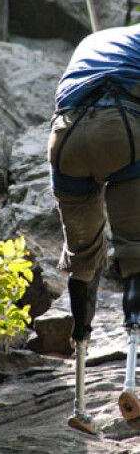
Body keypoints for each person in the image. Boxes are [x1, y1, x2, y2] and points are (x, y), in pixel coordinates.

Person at [49, 24, 140, 435]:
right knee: (136, 249)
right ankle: (132, 382)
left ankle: (80, 403)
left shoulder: (93, 42)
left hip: (66, 137)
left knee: (82, 258)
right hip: (121, 128)